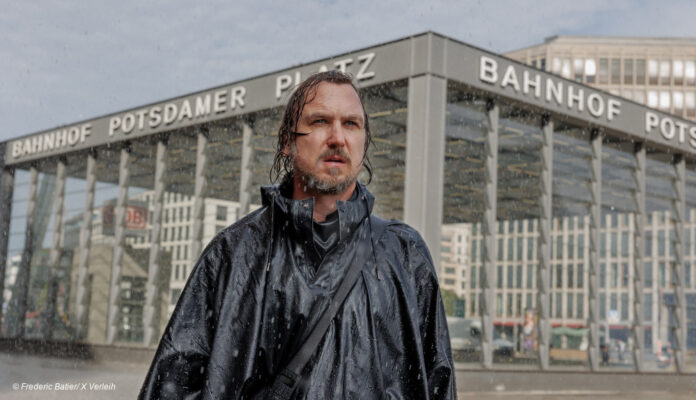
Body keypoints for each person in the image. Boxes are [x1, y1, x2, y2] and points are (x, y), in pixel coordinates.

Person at [139, 71, 456, 399]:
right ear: (287, 142)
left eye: (351, 124)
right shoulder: (234, 253)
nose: (337, 138)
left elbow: (437, 383)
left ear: (364, 142)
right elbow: (172, 386)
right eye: (320, 121)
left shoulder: (404, 254)